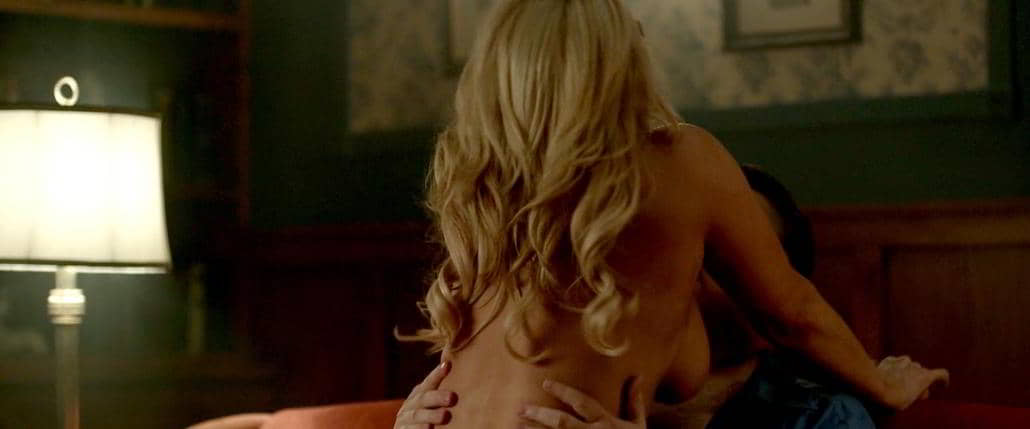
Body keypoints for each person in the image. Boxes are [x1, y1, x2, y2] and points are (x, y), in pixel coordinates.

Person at [396, 1, 948, 428]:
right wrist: (883, 385)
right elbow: (792, 313)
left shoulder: (479, 187)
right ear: (621, 62)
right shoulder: (682, 160)